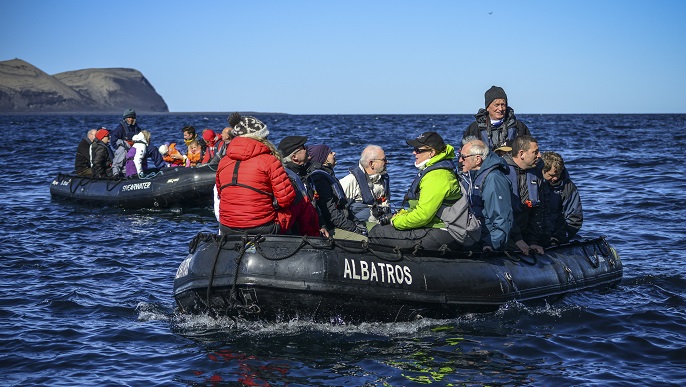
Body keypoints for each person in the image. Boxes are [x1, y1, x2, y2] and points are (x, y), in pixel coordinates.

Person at [368, 131, 463, 251]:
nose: (414, 152)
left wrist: (395, 222)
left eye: (418, 150)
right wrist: (401, 215)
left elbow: (423, 216)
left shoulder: (437, 176)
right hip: (433, 227)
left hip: (441, 231)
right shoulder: (435, 171)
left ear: (432, 153)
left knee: (377, 233)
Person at [215, 115, 296, 235]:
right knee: (300, 203)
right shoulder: (269, 161)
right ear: (261, 138)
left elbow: (221, 194)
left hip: (227, 226)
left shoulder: (223, 162)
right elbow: (286, 200)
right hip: (262, 226)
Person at [300, 143, 366, 239]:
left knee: (373, 229)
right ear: (323, 158)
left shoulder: (328, 175)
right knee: (365, 240)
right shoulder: (319, 179)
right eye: (330, 152)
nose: (334, 153)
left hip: (343, 223)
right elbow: (331, 215)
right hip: (332, 228)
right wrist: (355, 229)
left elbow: (344, 208)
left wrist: (357, 224)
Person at [460, 138, 513, 251]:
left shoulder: (493, 179)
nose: (460, 160)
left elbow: (501, 217)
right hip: (474, 235)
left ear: (477, 159)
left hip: (487, 240)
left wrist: (491, 243)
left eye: (463, 157)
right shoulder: (470, 176)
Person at [501, 135, 545, 255]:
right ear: (521, 154)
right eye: (535, 152)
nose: (539, 156)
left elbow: (537, 212)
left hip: (524, 235)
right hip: (505, 235)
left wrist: (532, 241)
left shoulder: (536, 174)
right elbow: (501, 212)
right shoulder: (500, 173)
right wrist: (516, 239)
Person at [462, 86, 531, 151]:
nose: (500, 109)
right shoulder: (474, 128)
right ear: (487, 108)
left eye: (503, 105)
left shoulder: (518, 127)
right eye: (496, 105)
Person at [536, 151, 583, 245]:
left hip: (557, 239)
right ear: (542, 170)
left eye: (558, 174)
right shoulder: (532, 183)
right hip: (532, 237)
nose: (556, 178)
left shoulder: (568, 188)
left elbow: (574, 218)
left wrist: (558, 238)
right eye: (551, 175)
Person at [338, 145, 391, 226]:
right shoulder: (351, 181)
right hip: (362, 228)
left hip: (382, 224)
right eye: (384, 160)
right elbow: (335, 208)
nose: (387, 162)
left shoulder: (383, 179)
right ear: (371, 163)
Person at [110, 108, 142, 177]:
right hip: (123, 149)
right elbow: (113, 140)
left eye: (132, 117)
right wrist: (123, 146)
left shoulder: (137, 128)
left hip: (134, 149)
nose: (130, 119)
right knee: (121, 154)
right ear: (125, 118)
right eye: (129, 117)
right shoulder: (120, 128)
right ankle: (116, 173)